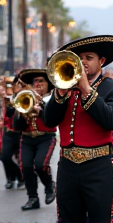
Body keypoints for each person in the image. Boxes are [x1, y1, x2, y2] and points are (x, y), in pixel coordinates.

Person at [43, 35, 113, 223]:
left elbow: (112, 120)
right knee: (68, 218)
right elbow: (49, 121)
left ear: (101, 61)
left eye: (88, 58)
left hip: (98, 166)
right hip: (67, 167)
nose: (82, 62)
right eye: (79, 58)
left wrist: (86, 90)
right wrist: (60, 93)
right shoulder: (65, 87)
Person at [14, 68, 57, 211]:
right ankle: (32, 198)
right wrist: (21, 111)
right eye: (35, 81)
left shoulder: (52, 98)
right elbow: (17, 126)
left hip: (46, 137)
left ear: (48, 84)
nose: (37, 84)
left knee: (40, 164)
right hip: (27, 138)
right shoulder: (25, 97)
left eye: (41, 81)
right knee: (25, 167)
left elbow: (53, 120)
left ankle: (49, 186)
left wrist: (41, 107)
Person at [0, 75, 24, 189]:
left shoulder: (23, 96)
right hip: (8, 132)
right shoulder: (5, 99)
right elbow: (6, 116)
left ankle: (20, 178)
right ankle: (10, 178)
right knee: (5, 157)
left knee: (20, 159)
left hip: (20, 133)